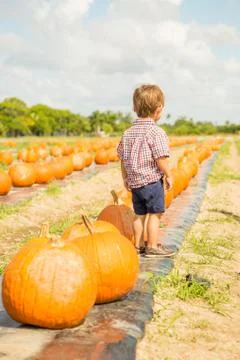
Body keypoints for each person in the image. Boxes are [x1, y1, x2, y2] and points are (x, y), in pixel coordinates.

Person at [117, 84, 176, 257]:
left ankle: (137, 245)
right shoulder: (155, 132)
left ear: (135, 108)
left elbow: (123, 159)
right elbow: (160, 158)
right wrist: (169, 174)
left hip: (135, 183)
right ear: (158, 110)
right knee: (155, 214)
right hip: (151, 182)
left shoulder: (128, 133)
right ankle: (152, 246)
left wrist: (125, 178)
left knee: (139, 214)